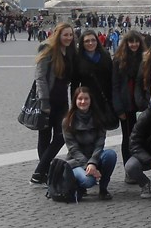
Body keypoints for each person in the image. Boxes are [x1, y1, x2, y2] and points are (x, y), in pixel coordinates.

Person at [30, 22, 76, 185]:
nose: (68, 38)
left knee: (62, 135)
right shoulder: (48, 49)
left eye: (70, 35)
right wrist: (44, 102)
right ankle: (43, 173)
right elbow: (40, 78)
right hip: (47, 100)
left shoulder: (70, 51)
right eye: (65, 35)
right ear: (58, 35)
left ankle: (40, 171)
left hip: (62, 100)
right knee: (44, 136)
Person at [62, 86, 117, 200]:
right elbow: (73, 149)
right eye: (80, 99)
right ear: (75, 101)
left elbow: (100, 144)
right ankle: (79, 185)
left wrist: (93, 163)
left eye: (86, 99)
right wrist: (88, 165)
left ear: (91, 100)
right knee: (88, 181)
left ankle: (103, 189)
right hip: (76, 161)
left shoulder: (99, 118)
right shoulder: (67, 121)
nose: (83, 102)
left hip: (95, 157)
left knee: (111, 155)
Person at [112, 30, 146, 175]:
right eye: (131, 41)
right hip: (126, 105)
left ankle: (138, 166)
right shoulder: (118, 60)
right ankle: (129, 169)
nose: (134, 44)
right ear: (126, 43)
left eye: (136, 41)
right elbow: (114, 85)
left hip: (140, 104)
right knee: (127, 138)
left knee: (140, 137)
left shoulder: (144, 58)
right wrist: (118, 108)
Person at [71, 30, 115, 127]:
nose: (90, 43)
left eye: (93, 40)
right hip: (87, 99)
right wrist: (74, 103)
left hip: (105, 98)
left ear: (97, 41)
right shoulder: (78, 58)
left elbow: (112, 78)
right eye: (86, 41)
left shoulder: (105, 55)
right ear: (82, 43)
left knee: (102, 129)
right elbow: (74, 83)